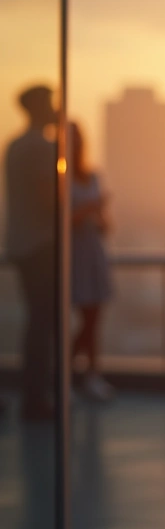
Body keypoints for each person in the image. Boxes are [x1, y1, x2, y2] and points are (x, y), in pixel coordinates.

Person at [4, 85, 58, 421]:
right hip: (40, 246)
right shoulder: (40, 146)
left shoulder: (15, 145)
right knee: (42, 324)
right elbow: (45, 197)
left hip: (23, 244)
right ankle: (35, 398)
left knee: (37, 323)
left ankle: (34, 395)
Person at [68, 122, 116, 402]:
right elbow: (63, 221)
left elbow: (105, 226)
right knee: (78, 319)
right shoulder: (61, 178)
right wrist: (90, 207)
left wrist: (100, 214)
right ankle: (65, 373)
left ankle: (91, 376)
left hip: (93, 251)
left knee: (94, 319)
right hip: (73, 255)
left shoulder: (93, 176)